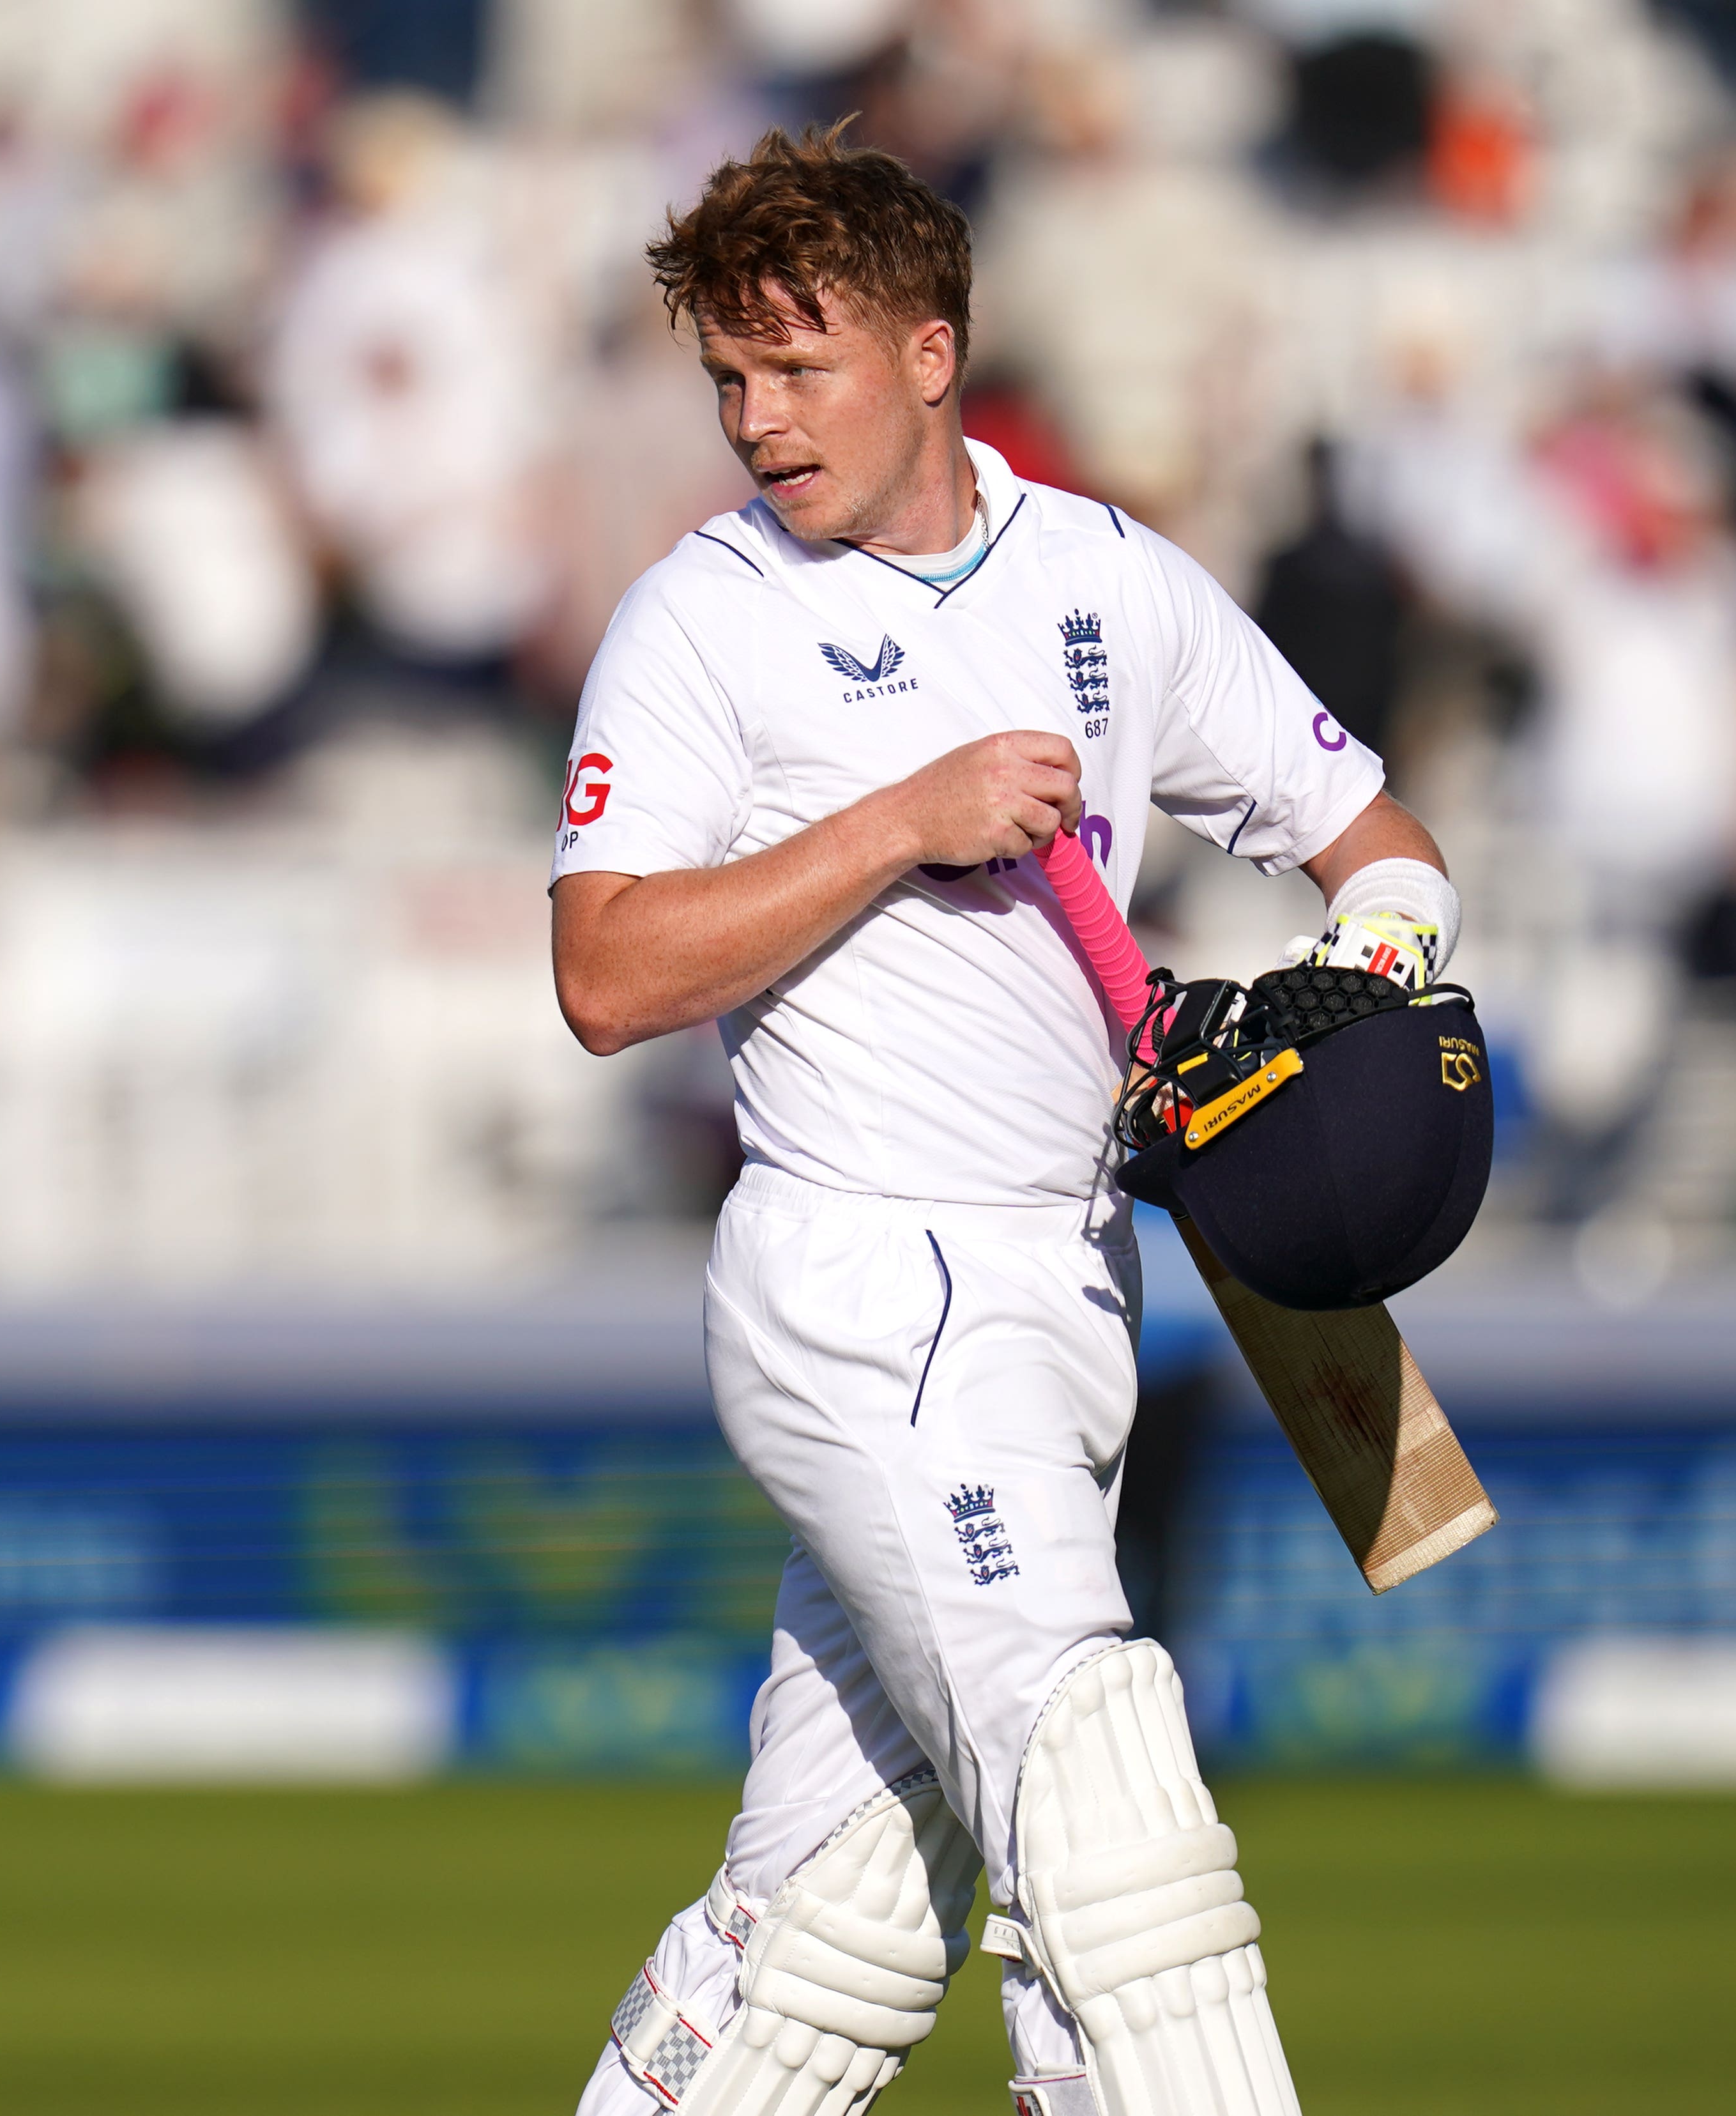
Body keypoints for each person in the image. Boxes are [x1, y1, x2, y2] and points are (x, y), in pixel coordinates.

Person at [551, 126, 1458, 2116]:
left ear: (932, 352)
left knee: (825, 1932)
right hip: (863, 1275)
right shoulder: (700, 619)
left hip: (1070, 1279)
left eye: (798, 370)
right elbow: (605, 973)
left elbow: (1377, 847)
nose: (752, 421)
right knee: (1106, 1812)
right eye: (724, 377)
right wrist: (896, 820)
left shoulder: (1103, 577)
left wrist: (1348, 994)